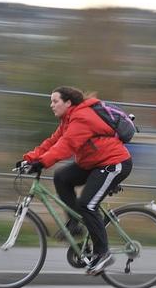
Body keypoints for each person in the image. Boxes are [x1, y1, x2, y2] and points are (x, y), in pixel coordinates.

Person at [18, 86, 132, 275]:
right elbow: (53, 142)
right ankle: (75, 225)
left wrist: (42, 163)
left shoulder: (82, 117)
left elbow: (67, 145)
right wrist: (29, 159)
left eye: (55, 101)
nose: (51, 105)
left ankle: (103, 253)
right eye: (51, 101)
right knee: (62, 177)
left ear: (68, 103)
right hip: (94, 163)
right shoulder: (67, 120)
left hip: (114, 163)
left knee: (87, 204)